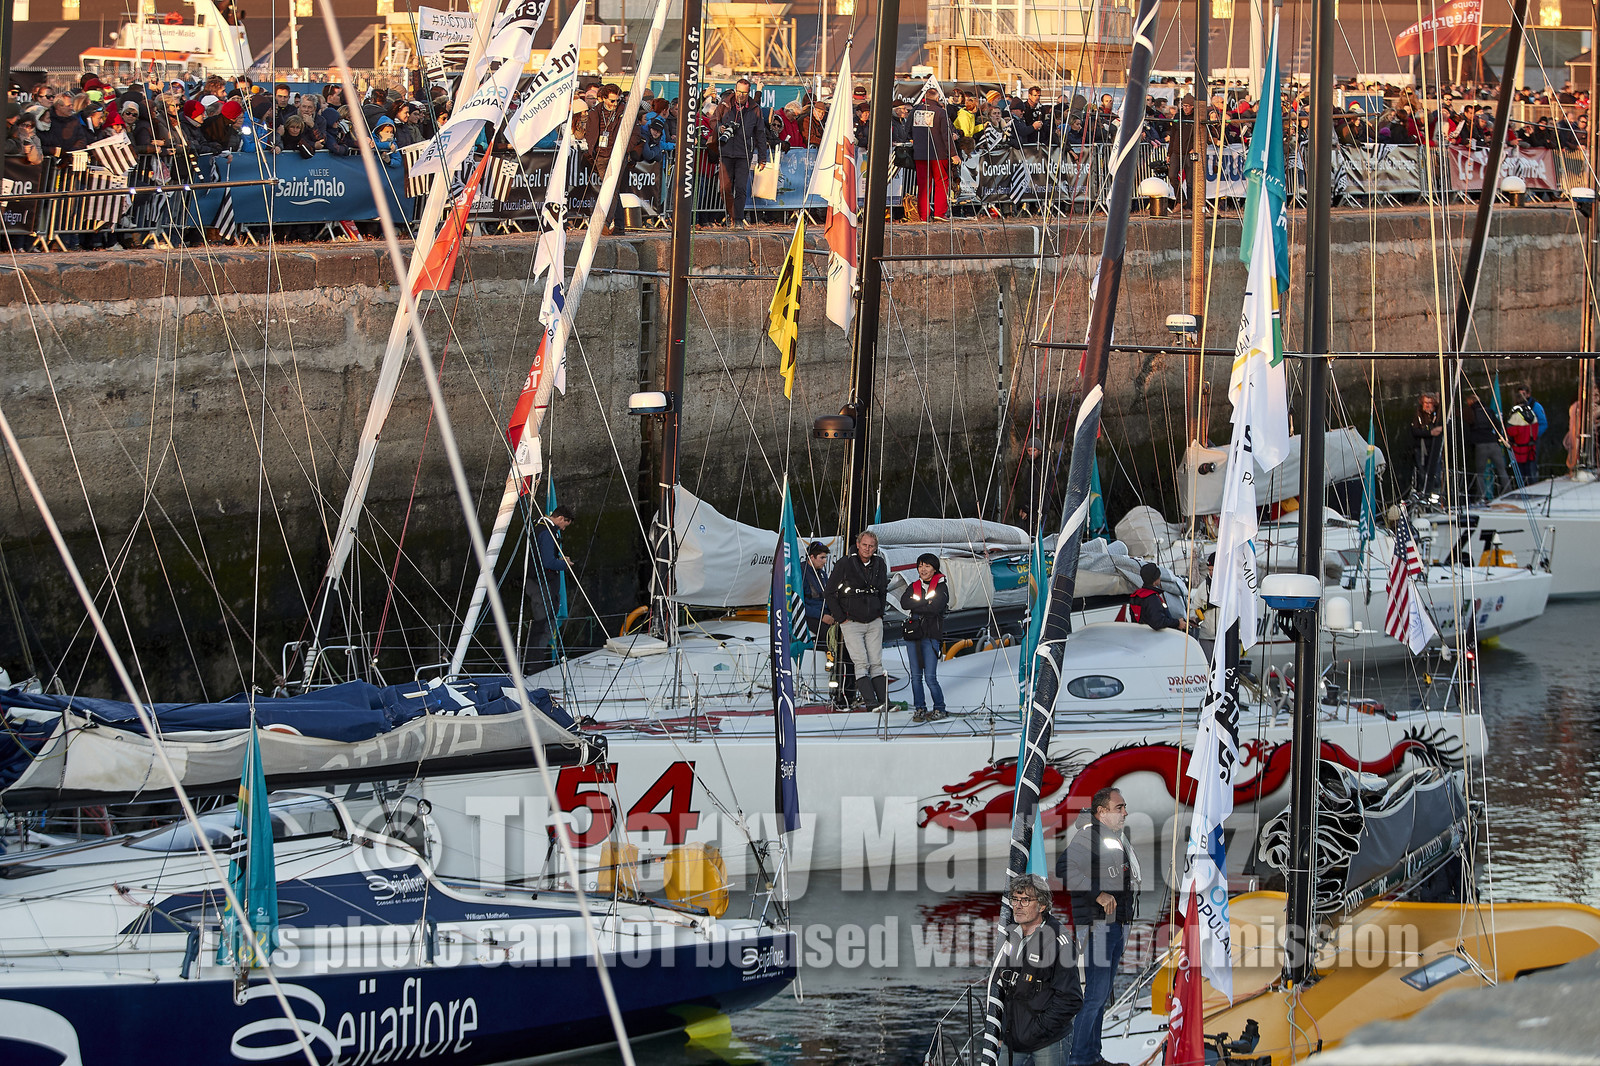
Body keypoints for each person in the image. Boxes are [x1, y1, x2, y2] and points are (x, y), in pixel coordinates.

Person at [1058, 787, 1139, 1066]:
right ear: (1101, 812)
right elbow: (1064, 867)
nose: (1125, 812)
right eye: (1120, 807)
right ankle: (1079, 1059)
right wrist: (1099, 895)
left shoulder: (1112, 837)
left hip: (1115, 925)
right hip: (1099, 927)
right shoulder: (1089, 836)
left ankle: (1093, 1055)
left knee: (1102, 995)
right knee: (1094, 996)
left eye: (1125, 807)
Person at [997, 873, 1082, 1066]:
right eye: (1015, 899)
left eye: (1025, 900)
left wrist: (1037, 1030)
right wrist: (1002, 1031)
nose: (1017, 905)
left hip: (1047, 1042)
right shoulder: (1011, 935)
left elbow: (1071, 999)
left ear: (1042, 906)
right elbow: (1001, 983)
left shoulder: (1059, 942)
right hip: (1013, 1041)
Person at [824, 530, 889, 711]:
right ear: (858, 544)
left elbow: (883, 590)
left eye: (871, 546)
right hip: (851, 622)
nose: (868, 549)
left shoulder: (879, 564)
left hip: (874, 620)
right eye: (865, 545)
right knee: (861, 663)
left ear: (875, 548)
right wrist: (841, 618)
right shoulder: (845, 564)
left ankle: (884, 702)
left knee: (876, 662)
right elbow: (829, 592)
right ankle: (871, 703)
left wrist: (880, 613)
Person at [712, 77, 770, 230]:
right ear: (735, 90)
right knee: (724, 188)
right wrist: (720, 128)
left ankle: (738, 219)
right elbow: (714, 120)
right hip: (726, 152)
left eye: (744, 93)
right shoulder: (725, 104)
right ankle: (731, 215)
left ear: (749, 93)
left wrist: (762, 157)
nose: (741, 95)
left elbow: (760, 133)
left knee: (741, 188)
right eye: (738, 92)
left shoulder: (754, 108)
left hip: (744, 153)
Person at [899, 553, 949, 723]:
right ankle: (919, 708)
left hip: (931, 635)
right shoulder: (913, 586)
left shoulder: (941, 587)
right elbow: (904, 603)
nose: (923, 569)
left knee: (930, 677)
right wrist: (924, 603)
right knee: (915, 676)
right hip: (914, 635)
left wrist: (918, 604)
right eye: (920, 566)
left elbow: (936, 608)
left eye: (927, 566)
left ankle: (940, 708)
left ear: (934, 568)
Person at [526, 505, 575, 669]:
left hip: (536, 583)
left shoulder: (538, 527)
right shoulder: (547, 532)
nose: (563, 529)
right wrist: (564, 564)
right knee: (543, 625)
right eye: (564, 525)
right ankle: (534, 666)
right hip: (542, 585)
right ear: (561, 518)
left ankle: (533, 664)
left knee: (541, 625)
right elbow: (548, 562)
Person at [911, 90, 957, 222]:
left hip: (920, 154)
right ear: (937, 98)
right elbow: (946, 135)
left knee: (924, 184)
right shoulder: (941, 112)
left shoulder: (915, 111)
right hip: (939, 153)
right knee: (941, 182)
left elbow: (907, 130)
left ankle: (923, 215)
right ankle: (939, 212)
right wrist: (953, 154)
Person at [1462, 393, 1509, 502]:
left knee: (1480, 473)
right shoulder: (1488, 410)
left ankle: (1481, 496)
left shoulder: (1469, 412)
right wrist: (1497, 437)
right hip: (1492, 442)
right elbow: (1498, 424)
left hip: (1480, 444)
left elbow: (1466, 429)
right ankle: (1507, 492)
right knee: (1502, 469)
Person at [1127, 562, 1185, 631]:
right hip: (1152, 638)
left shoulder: (1135, 595)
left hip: (1139, 634)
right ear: (1155, 581)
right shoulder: (1152, 598)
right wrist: (1177, 623)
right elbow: (1158, 622)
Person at [1410, 392, 1444, 498]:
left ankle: (1436, 496)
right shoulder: (1418, 415)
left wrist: (1442, 429)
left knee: (1436, 474)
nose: (1427, 405)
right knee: (1422, 474)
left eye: (1430, 403)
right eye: (1425, 403)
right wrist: (1430, 433)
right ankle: (1424, 495)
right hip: (1422, 449)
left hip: (1436, 448)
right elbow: (1415, 431)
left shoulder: (1439, 416)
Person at [1506, 405, 1539, 486]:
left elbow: (1511, 432)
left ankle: (1522, 487)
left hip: (1519, 451)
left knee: (1521, 474)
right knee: (1531, 472)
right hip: (1531, 449)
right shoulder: (1532, 415)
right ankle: (1532, 487)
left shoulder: (1515, 417)